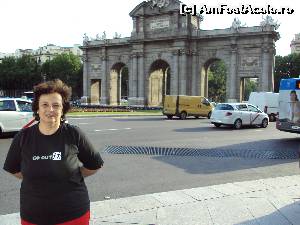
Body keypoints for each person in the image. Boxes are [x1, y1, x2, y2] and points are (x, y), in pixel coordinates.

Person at [3, 79, 104, 225]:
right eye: (45, 105)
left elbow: (95, 164)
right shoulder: (22, 137)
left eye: (56, 105)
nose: (50, 109)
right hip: (33, 216)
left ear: (62, 109)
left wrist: (73, 174)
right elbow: (13, 169)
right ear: (37, 108)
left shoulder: (74, 134)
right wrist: (36, 174)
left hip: (73, 215)